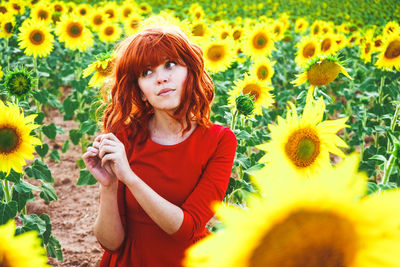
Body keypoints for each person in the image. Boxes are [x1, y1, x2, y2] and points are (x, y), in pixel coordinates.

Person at [82, 24, 237, 267]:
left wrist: (130, 178)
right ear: (141, 92)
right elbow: (111, 244)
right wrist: (109, 186)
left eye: (170, 64)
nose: (161, 78)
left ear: (190, 71)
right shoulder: (124, 137)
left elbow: (188, 228)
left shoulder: (219, 141)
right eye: (146, 72)